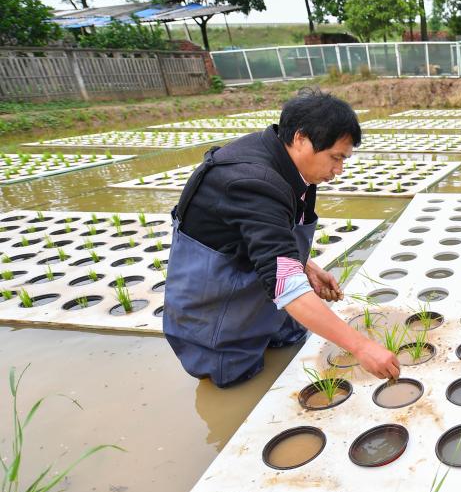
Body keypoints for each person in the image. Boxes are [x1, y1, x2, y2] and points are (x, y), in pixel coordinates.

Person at [163, 88, 400, 387]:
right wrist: (362, 347)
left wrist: (305, 265)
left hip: (252, 282)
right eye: (335, 158)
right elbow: (284, 283)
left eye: (344, 159)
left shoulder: (293, 165)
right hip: (215, 311)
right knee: (237, 379)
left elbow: (267, 235)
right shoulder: (252, 181)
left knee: (291, 340)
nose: (338, 170)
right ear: (301, 138)